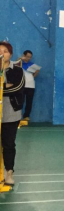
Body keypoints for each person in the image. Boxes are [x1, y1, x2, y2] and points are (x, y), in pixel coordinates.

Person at [0, 42, 25, 188]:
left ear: (10, 54)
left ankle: (9, 172)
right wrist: (6, 86)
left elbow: (17, 88)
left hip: (11, 113)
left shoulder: (17, 70)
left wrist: (2, 88)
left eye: (5, 51)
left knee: (8, 144)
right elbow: (9, 88)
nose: (2, 53)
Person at [20, 50, 40, 122]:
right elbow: (14, 65)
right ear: (24, 55)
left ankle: (26, 116)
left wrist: (33, 76)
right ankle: (18, 116)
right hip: (21, 85)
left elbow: (37, 71)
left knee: (29, 102)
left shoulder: (32, 65)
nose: (28, 58)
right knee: (20, 101)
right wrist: (20, 59)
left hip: (31, 85)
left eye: (30, 57)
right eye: (27, 56)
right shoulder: (19, 63)